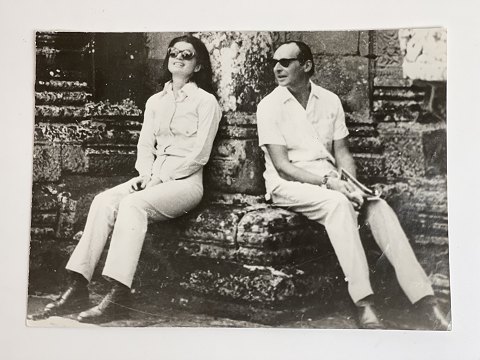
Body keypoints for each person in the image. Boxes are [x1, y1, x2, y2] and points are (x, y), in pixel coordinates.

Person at [256, 40, 450, 330]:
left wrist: (350, 183)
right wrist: (330, 184)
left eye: (286, 62)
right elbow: (282, 166)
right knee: (337, 205)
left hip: (330, 179)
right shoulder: (269, 105)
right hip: (288, 184)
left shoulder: (329, 100)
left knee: (377, 206)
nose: (278, 68)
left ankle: (425, 300)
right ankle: (363, 302)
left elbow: (342, 152)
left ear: (306, 66)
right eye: (275, 62)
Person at [32, 35, 222, 323]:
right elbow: (145, 146)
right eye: (174, 52)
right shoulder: (155, 101)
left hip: (186, 183)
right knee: (103, 200)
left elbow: (200, 155)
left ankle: (118, 294)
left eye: (188, 54)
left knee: (133, 206)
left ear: (198, 66)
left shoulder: (206, 102)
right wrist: (146, 175)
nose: (179, 57)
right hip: (153, 177)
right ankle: (77, 286)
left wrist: (162, 179)